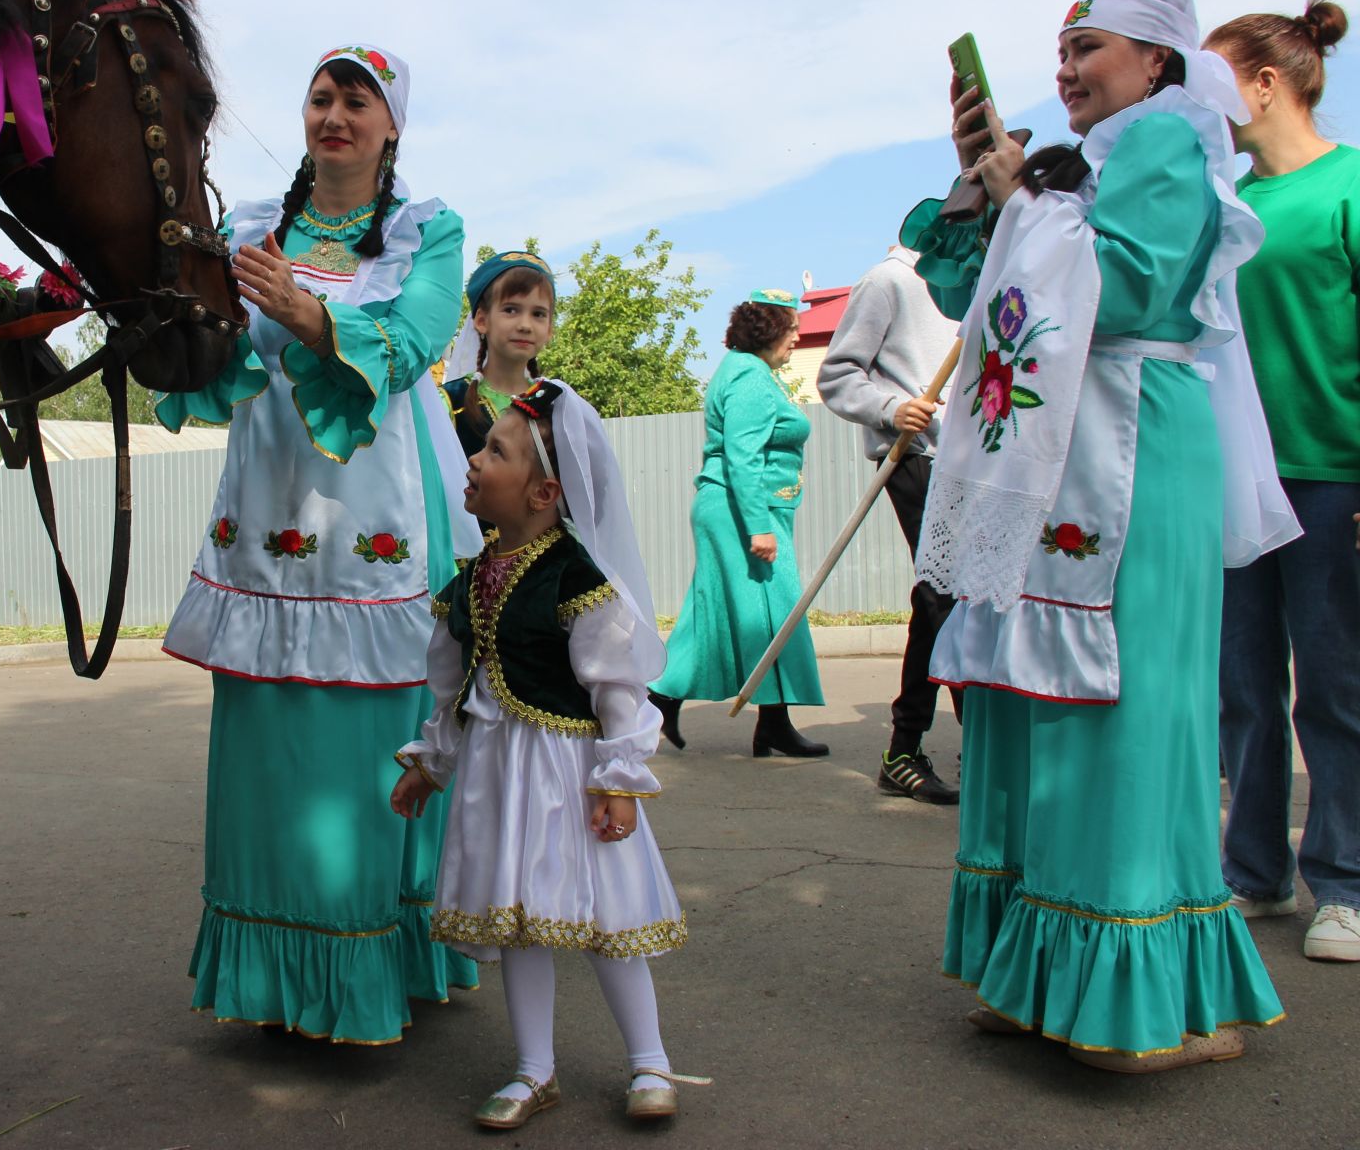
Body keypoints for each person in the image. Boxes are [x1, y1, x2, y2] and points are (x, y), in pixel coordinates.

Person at [905, 0, 1298, 1069]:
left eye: (1090, 47)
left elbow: (1122, 289)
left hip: (1133, 444)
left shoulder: (1170, 142)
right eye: (1061, 49)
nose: (1068, 67)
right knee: (1035, 700)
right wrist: (990, 192)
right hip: (1057, 455)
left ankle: (1152, 994)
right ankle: (1040, 973)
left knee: (1122, 705)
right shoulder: (1081, 172)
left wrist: (1025, 199)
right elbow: (973, 290)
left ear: (1159, 62)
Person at [156, 43, 482, 1044]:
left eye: (358, 99)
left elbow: (420, 339)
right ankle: (271, 977)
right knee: (265, 741)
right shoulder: (247, 225)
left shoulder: (429, 228)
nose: (334, 111)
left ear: (392, 124)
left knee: (371, 744)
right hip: (265, 508)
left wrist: (305, 310)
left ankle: (380, 959)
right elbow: (199, 345)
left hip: (382, 505)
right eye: (321, 95)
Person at [391, 379, 704, 1127]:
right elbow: (451, 684)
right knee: (519, 918)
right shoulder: (466, 583)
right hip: (497, 775)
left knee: (605, 918)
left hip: (572, 774)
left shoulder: (576, 580)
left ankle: (650, 1061)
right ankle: (535, 1070)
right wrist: (430, 764)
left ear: (544, 492)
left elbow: (619, 688)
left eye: (494, 450)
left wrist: (620, 779)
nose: (474, 460)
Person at [1205, 0, 1360, 962]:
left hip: (1334, 474)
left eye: (1216, 80)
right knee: (1244, 687)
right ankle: (1252, 869)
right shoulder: (1231, 209)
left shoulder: (1348, 187)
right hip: (1238, 480)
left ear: (1266, 84)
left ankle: (1342, 883)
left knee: (1336, 686)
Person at [648, 291, 827, 757]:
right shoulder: (750, 376)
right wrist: (758, 527)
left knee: (722, 611)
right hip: (741, 510)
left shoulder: (744, 371)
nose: (797, 340)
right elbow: (743, 457)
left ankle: (669, 700)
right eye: (792, 331)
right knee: (773, 612)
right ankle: (766, 721)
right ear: (770, 331)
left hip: (734, 508)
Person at [819, 246, 962, 804]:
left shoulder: (981, 279)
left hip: (980, 461)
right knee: (944, 596)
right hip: (916, 455)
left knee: (982, 600)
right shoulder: (889, 280)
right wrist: (889, 408)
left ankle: (986, 747)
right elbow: (836, 373)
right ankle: (903, 750)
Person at [442, 251, 556, 457]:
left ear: (549, 328)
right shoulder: (449, 403)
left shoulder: (558, 405)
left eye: (538, 314)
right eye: (511, 310)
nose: (525, 325)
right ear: (482, 320)